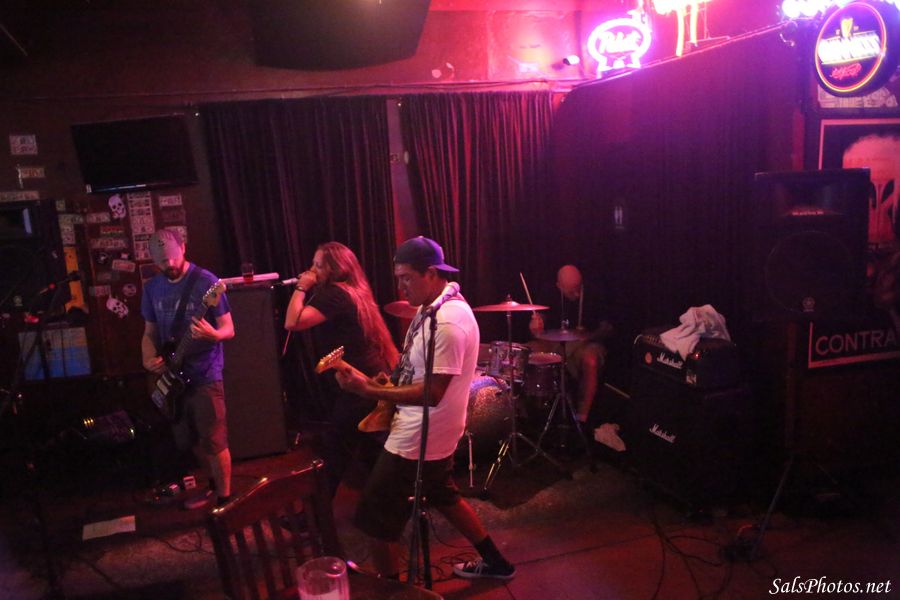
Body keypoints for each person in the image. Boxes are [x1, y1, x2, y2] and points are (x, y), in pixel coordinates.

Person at [335, 236, 516, 581]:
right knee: (444, 495)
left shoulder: (448, 322)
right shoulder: (434, 307)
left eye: (407, 278)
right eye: (398, 278)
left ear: (431, 273)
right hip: (433, 431)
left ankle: (391, 590)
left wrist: (369, 389)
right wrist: (382, 382)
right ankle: (497, 563)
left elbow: (433, 392)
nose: (400, 287)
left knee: (375, 517)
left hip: (419, 435)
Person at [284, 241, 399, 497]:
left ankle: (326, 509)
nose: (312, 270)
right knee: (366, 443)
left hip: (358, 380)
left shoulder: (334, 294)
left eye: (318, 265)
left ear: (334, 269)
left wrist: (302, 287)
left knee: (337, 444)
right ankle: (386, 498)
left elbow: (293, 322)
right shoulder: (354, 290)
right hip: (370, 374)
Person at [141, 229, 235, 510]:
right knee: (190, 439)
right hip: (173, 375)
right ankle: (213, 486)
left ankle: (226, 500)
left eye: (172, 257)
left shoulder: (207, 282)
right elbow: (149, 332)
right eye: (162, 261)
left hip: (205, 373)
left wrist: (213, 335)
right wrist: (147, 358)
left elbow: (229, 329)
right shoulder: (152, 288)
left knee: (214, 439)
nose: (169, 264)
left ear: (183, 247)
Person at [528, 264, 612, 424]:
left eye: (578, 288)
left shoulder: (594, 292)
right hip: (555, 342)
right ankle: (534, 409)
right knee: (529, 351)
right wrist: (535, 325)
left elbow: (608, 328)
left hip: (586, 343)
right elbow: (539, 323)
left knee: (591, 360)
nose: (577, 294)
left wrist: (589, 336)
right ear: (559, 286)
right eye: (571, 291)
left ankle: (583, 416)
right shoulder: (549, 292)